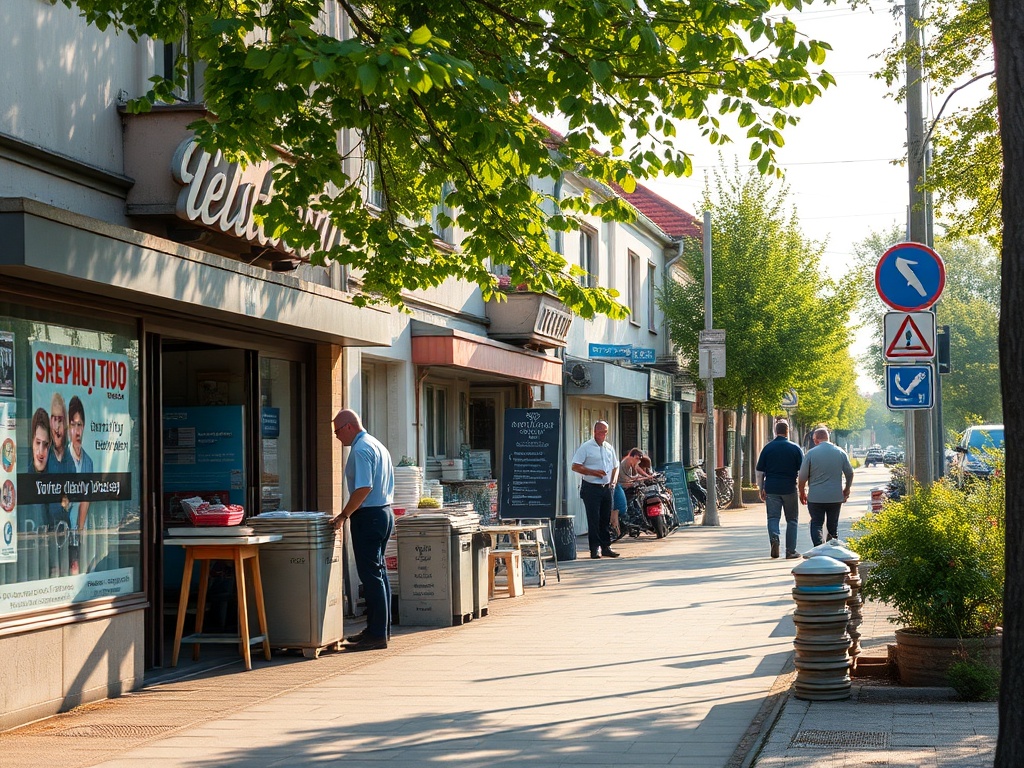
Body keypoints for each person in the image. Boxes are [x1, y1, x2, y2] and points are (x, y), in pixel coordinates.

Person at [331, 408, 395, 651]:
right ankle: (380, 629)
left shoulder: (360, 449)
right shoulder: (377, 444)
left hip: (368, 515)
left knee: (371, 576)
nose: (337, 437)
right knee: (379, 573)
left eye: (337, 431)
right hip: (384, 512)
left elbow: (363, 488)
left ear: (348, 426)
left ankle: (376, 634)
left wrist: (344, 515)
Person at [570, 420, 620, 559]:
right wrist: (593, 472)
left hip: (606, 487)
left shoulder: (608, 447)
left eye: (605, 432)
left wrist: (613, 481)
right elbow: (575, 466)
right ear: (595, 432)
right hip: (591, 487)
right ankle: (594, 548)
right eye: (601, 432)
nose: (603, 434)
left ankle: (606, 546)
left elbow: (615, 465)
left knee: (605, 518)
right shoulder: (586, 447)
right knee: (594, 519)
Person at [755, 420, 805, 559]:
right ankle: (790, 551)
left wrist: (761, 489)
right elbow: (802, 471)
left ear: (775, 431)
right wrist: (802, 489)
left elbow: (759, 472)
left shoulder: (767, 448)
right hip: (789, 488)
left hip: (771, 488)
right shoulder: (795, 448)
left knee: (773, 517)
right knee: (792, 519)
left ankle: (774, 538)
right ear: (787, 431)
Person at [798, 426, 854, 546]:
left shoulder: (810, 454)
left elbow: (802, 476)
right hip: (835, 496)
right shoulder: (840, 452)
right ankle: (833, 547)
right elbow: (850, 473)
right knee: (833, 525)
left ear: (816, 440)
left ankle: (819, 547)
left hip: (815, 497)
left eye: (814, 439)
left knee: (816, 523)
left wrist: (801, 492)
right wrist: (846, 489)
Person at [613, 449, 645, 537]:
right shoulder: (624, 464)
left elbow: (637, 471)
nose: (638, 461)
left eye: (639, 459)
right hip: (620, 487)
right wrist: (637, 478)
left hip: (621, 487)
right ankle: (617, 530)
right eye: (637, 458)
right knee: (620, 509)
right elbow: (626, 479)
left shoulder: (630, 464)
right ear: (631, 456)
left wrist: (643, 476)